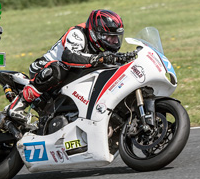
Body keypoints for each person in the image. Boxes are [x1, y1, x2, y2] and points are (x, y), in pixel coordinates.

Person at [7, 9, 135, 124]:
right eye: (110, 37)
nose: (115, 41)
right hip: (43, 69)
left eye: (117, 37)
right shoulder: (77, 33)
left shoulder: (102, 44)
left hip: (71, 74)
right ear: (95, 33)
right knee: (58, 69)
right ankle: (17, 106)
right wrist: (99, 58)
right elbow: (69, 57)